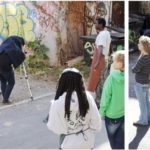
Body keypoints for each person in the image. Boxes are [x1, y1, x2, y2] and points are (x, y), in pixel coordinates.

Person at [47, 68, 101, 149]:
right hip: (87, 141)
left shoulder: (57, 104)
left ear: (62, 83)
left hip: (68, 143)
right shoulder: (87, 97)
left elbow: (55, 127)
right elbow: (96, 123)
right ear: (80, 82)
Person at [99, 51, 124, 149]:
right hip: (123, 113)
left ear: (119, 64)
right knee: (122, 139)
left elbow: (105, 98)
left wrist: (102, 112)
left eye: (114, 61)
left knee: (114, 142)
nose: (112, 63)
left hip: (112, 116)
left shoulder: (111, 78)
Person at [87, 17, 111, 108]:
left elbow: (100, 47)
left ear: (101, 24)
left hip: (101, 60)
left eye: (96, 23)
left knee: (99, 82)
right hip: (104, 59)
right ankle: (101, 102)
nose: (95, 25)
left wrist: (97, 62)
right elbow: (109, 46)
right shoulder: (107, 33)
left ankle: (98, 103)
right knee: (103, 81)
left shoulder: (102, 35)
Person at [0, 36, 25, 104]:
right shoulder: (14, 48)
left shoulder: (7, 43)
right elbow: (20, 57)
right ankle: (5, 99)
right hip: (4, 65)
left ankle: (4, 97)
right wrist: (23, 54)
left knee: (3, 81)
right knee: (11, 82)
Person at [132, 35, 150, 126]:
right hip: (147, 83)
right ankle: (148, 118)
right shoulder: (148, 57)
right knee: (147, 101)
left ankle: (143, 121)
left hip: (140, 84)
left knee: (142, 104)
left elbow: (134, 70)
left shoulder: (143, 59)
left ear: (143, 46)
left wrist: (134, 67)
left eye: (139, 43)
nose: (138, 44)